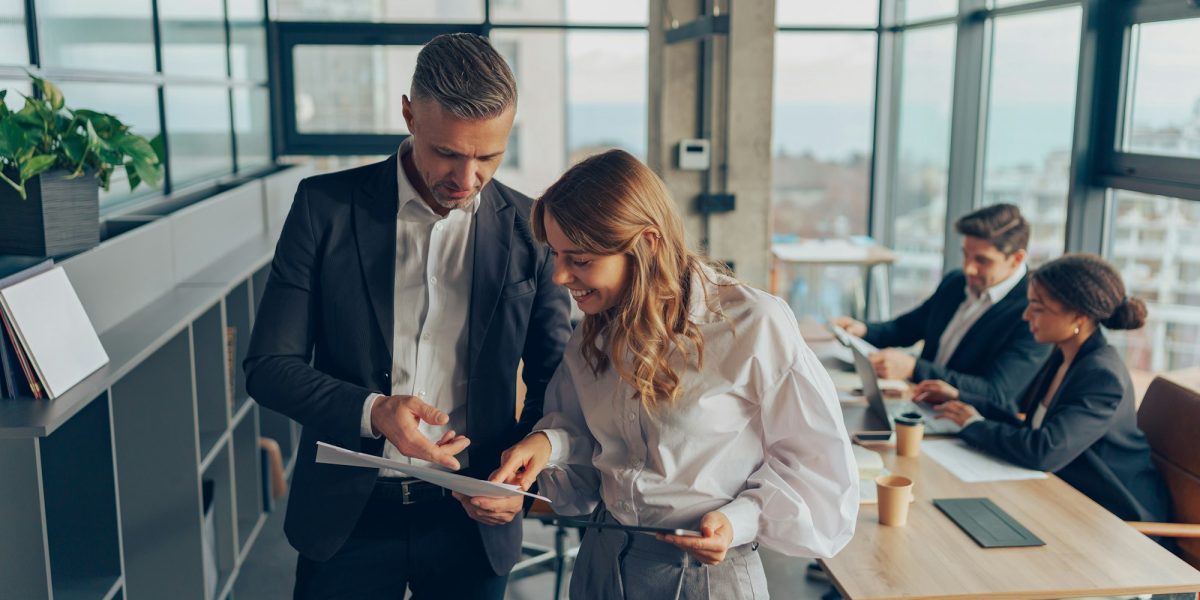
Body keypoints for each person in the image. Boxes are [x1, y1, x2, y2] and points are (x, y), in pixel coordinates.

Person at [244, 33, 571, 599]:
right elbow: (268, 365)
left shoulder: (532, 230)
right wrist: (372, 411)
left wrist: (521, 473)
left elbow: (555, 380)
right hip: (346, 521)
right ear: (408, 114)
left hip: (472, 523)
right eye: (448, 151)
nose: (467, 181)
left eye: (488, 157)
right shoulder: (324, 208)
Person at [492, 149, 859, 599]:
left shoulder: (753, 323)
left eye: (581, 259)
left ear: (646, 243)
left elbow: (819, 470)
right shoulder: (595, 328)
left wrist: (736, 520)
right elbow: (598, 448)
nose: (560, 277)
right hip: (600, 564)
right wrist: (547, 444)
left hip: (705, 575)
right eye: (557, 256)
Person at [924, 253, 1169, 523]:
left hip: (1116, 517)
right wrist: (963, 399)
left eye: (1038, 308)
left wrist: (974, 425)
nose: (1026, 315)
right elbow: (1034, 429)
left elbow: (1044, 450)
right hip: (1066, 499)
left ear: (1079, 317)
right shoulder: (1064, 355)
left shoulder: (1102, 375)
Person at [834, 203, 1050, 416]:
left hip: (967, 424)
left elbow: (995, 392)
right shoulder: (956, 283)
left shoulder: (1033, 313)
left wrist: (914, 369)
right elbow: (906, 328)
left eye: (982, 260)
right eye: (965, 255)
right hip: (919, 405)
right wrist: (862, 330)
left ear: (1017, 259)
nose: (968, 268)